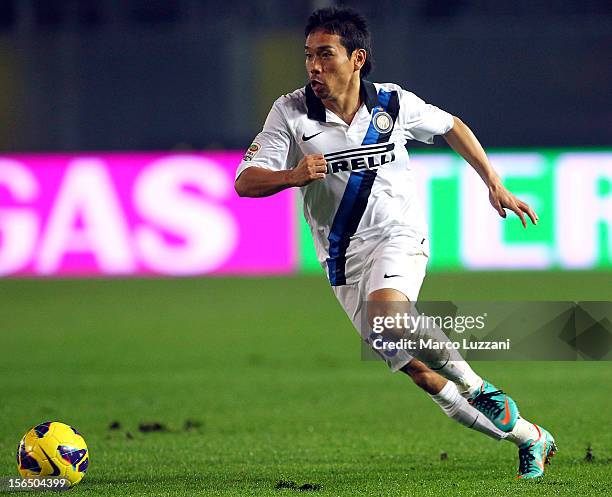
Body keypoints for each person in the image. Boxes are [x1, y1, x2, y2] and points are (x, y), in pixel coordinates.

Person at [235, 7, 556, 479]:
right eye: (308, 57)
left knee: (390, 316)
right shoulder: (291, 111)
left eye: (325, 55)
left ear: (357, 58)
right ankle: (530, 437)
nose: (314, 67)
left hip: (397, 234)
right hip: (341, 258)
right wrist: (291, 175)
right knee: (420, 372)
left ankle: (475, 385)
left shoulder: (392, 104)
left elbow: (451, 126)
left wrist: (494, 181)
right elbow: (245, 182)